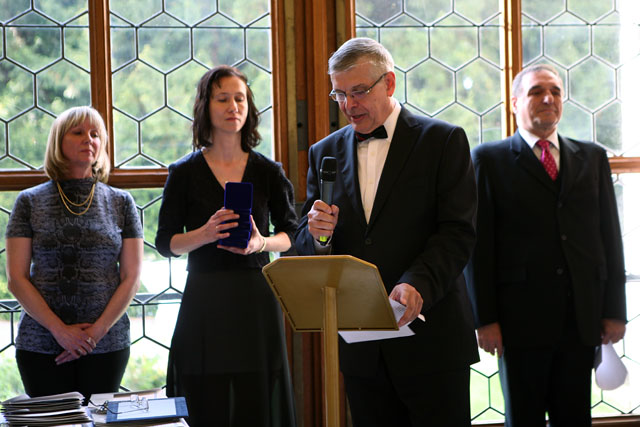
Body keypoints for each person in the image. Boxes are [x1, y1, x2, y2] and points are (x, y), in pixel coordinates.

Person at [295, 37, 479, 426]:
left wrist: (417, 283)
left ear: (390, 83)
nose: (349, 105)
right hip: (362, 350)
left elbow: (457, 232)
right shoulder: (323, 152)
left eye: (359, 91)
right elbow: (307, 243)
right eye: (339, 94)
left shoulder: (443, 141)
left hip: (433, 342)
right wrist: (318, 235)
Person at [464, 64, 627, 426]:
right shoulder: (489, 160)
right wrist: (485, 319)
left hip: (581, 317)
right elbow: (479, 248)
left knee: (575, 418)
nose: (548, 98)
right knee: (524, 418)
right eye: (537, 91)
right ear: (515, 103)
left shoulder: (591, 157)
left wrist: (615, 309)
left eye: (555, 91)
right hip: (519, 321)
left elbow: (609, 237)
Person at [155, 65, 298, 427]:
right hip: (205, 300)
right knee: (205, 400)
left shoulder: (268, 171)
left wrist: (261, 242)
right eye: (223, 99)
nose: (233, 106)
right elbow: (165, 243)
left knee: (257, 400)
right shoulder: (183, 172)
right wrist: (205, 233)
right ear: (206, 106)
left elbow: (291, 234)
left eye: (240, 99)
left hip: (256, 298)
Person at [6, 106, 144, 403]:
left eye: (95, 134)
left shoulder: (122, 202)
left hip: (106, 344)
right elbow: (16, 279)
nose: (89, 139)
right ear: (58, 141)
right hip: (41, 345)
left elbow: (131, 278)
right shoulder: (29, 201)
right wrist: (60, 331)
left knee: (100, 421)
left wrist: (94, 334)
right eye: (78, 132)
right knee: (51, 422)